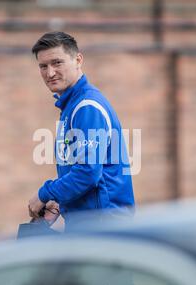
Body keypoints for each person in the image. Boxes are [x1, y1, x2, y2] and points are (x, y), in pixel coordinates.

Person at [27, 31, 135, 232]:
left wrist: (45, 193)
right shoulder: (71, 105)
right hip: (91, 224)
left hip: (103, 228)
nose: (50, 73)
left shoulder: (86, 106)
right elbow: (84, 173)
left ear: (78, 60)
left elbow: (88, 172)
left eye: (57, 63)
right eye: (43, 66)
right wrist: (60, 200)